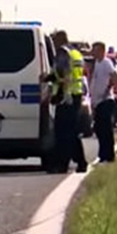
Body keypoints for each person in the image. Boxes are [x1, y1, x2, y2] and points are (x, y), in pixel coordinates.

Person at [47, 30, 87, 173]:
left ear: (59, 40)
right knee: (71, 132)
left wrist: (47, 80)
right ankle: (80, 162)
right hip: (75, 94)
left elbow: (62, 75)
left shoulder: (63, 53)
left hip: (66, 96)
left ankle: (62, 164)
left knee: (62, 133)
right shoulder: (76, 53)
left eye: (54, 40)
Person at [88, 41, 117, 163]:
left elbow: (115, 77)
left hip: (105, 100)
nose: (93, 52)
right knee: (99, 129)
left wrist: (108, 89)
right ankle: (102, 155)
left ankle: (109, 155)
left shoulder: (106, 63)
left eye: (95, 50)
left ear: (101, 50)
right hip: (98, 102)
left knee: (106, 130)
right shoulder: (97, 63)